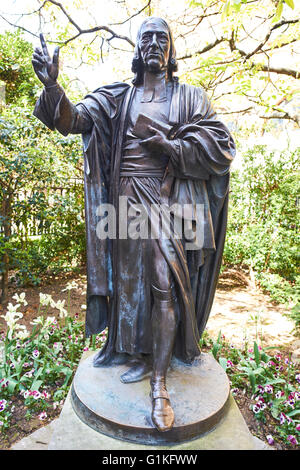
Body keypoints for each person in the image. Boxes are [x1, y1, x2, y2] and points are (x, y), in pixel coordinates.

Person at [32, 17, 235, 432]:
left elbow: (222, 145)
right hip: (124, 199)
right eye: (147, 37)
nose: (154, 44)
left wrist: (171, 147)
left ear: (171, 49)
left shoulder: (190, 97)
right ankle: (134, 353)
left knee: (164, 283)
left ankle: (159, 384)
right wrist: (53, 87)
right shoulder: (118, 98)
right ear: (138, 48)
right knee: (130, 287)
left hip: (169, 203)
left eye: (162, 38)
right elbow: (73, 121)